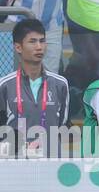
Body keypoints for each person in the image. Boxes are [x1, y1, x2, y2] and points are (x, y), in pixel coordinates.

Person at [0, 19, 71, 151]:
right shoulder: (4, 85)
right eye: (32, 41)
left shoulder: (60, 84)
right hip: (14, 163)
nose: (39, 47)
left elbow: (63, 126)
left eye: (42, 41)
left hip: (50, 161)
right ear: (18, 47)